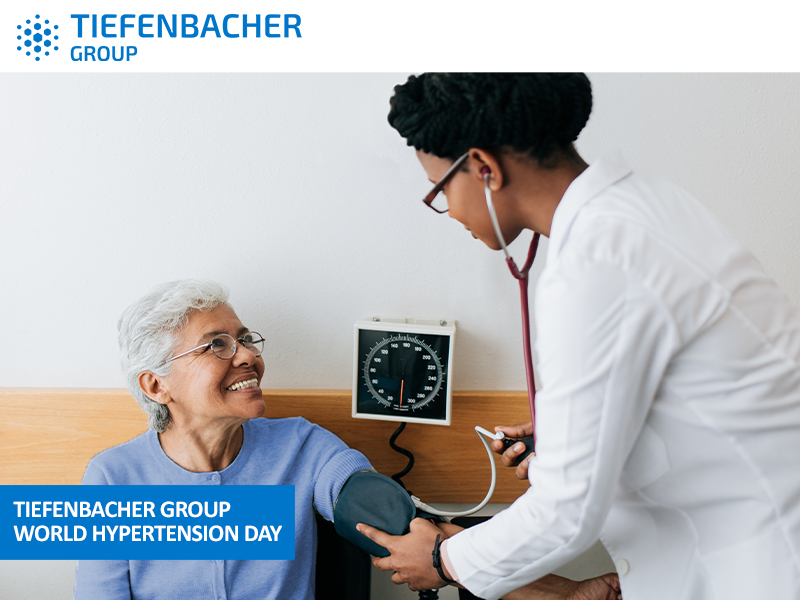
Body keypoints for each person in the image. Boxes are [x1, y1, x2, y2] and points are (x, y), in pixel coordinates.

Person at [357, 73, 800, 600]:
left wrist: (442, 559)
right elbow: (695, 408)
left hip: (760, 568)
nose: (450, 211)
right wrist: (570, 443)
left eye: (441, 190)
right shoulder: (644, 207)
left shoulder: (597, 263)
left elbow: (567, 512)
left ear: (484, 168)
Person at [73, 280, 373, 600]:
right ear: (157, 386)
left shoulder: (302, 445)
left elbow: (366, 497)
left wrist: (428, 545)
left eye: (245, 340)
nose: (247, 355)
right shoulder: (113, 478)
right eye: (217, 344)